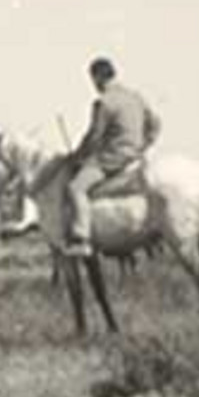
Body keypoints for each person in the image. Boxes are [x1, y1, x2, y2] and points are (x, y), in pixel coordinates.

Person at [64, 57, 162, 256]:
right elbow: (155, 124)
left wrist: (76, 157)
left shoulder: (104, 103)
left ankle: (82, 237)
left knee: (75, 188)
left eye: (93, 80)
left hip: (112, 159)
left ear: (98, 77)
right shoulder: (135, 97)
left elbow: (94, 137)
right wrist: (144, 146)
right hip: (136, 157)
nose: (94, 86)